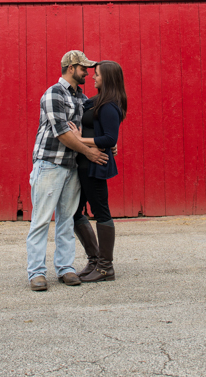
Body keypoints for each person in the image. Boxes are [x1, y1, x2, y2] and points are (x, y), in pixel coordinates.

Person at [25, 50, 108, 292]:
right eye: (83, 68)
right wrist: (89, 151)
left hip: (71, 167)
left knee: (65, 220)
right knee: (41, 220)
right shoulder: (53, 94)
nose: (87, 72)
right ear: (71, 67)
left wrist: (106, 143)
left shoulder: (82, 98)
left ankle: (65, 268)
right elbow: (62, 133)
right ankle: (37, 273)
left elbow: (88, 130)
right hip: (49, 163)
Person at [69, 60, 127, 283]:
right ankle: (94, 260)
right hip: (84, 165)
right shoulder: (95, 102)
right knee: (75, 211)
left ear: (108, 78)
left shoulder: (110, 105)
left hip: (97, 164)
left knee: (101, 211)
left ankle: (105, 267)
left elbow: (110, 139)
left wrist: (79, 139)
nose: (93, 77)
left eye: (98, 75)